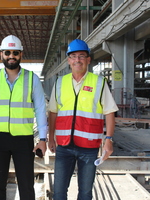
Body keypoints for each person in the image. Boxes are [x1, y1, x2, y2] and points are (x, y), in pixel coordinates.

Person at [0, 35, 48, 200]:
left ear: (21, 54)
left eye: (15, 52)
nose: (11, 56)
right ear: (1, 54)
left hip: (23, 140)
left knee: (26, 185)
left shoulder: (32, 79)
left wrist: (43, 138)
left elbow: (40, 110)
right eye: (7, 52)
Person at [48, 39, 119, 200]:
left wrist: (109, 139)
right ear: (68, 60)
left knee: (85, 193)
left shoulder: (99, 82)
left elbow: (109, 112)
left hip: (89, 147)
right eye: (73, 56)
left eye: (81, 56)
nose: (77, 60)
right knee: (59, 193)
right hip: (64, 146)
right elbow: (53, 112)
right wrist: (50, 137)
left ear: (88, 59)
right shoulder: (60, 83)